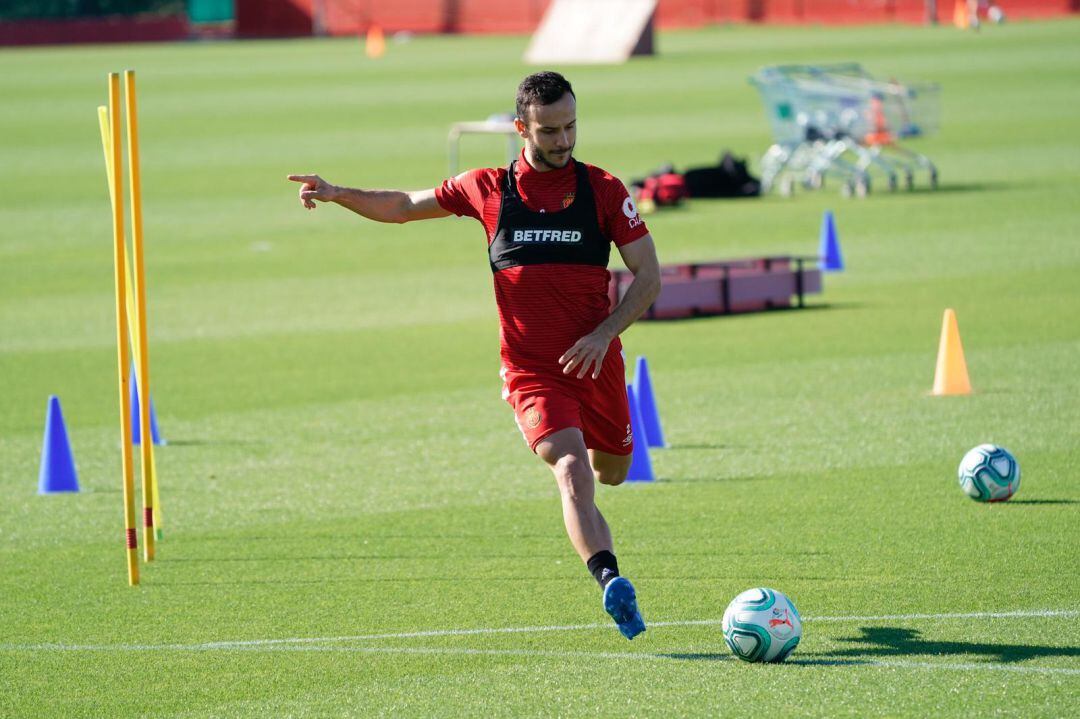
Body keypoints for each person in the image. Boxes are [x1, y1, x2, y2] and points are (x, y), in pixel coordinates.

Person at [288, 71, 661, 640]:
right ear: (521, 129)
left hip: (596, 361)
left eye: (571, 127)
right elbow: (403, 206)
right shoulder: (488, 187)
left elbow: (649, 276)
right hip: (533, 372)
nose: (563, 141)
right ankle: (610, 579)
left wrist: (604, 334)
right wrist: (339, 193)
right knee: (571, 469)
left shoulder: (604, 191)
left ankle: (605, 541)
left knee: (613, 473)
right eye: (550, 131)